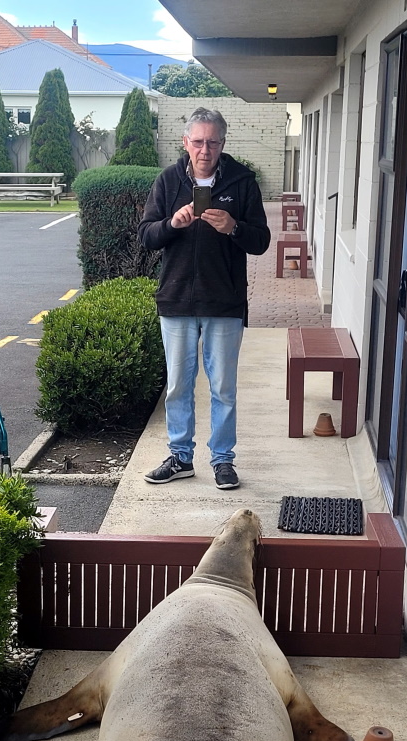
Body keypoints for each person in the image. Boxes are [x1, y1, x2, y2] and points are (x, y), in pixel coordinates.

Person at [138, 107, 270, 490]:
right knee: (178, 384)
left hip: (224, 303)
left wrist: (234, 227)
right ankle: (180, 457)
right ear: (186, 143)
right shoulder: (168, 181)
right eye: (198, 142)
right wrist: (171, 225)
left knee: (223, 388)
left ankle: (223, 460)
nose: (205, 149)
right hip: (176, 300)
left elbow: (260, 241)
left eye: (212, 142)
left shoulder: (243, 182)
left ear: (223, 144)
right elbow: (146, 236)